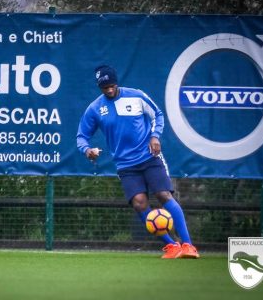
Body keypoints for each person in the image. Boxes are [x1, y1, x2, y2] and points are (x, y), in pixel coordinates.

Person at [76, 65, 199, 259]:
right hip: (126, 166)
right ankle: (171, 246)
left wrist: (155, 136)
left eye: (111, 85)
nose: (109, 89)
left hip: (149, 157)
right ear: (99, 87)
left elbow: (158, 115)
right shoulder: (94, 109)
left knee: (163, 194)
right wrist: (87, 150)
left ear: (117, 82)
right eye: (104, 87)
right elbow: (82, 136)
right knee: (140, 204)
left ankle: (188, 245)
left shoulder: (137, 96)